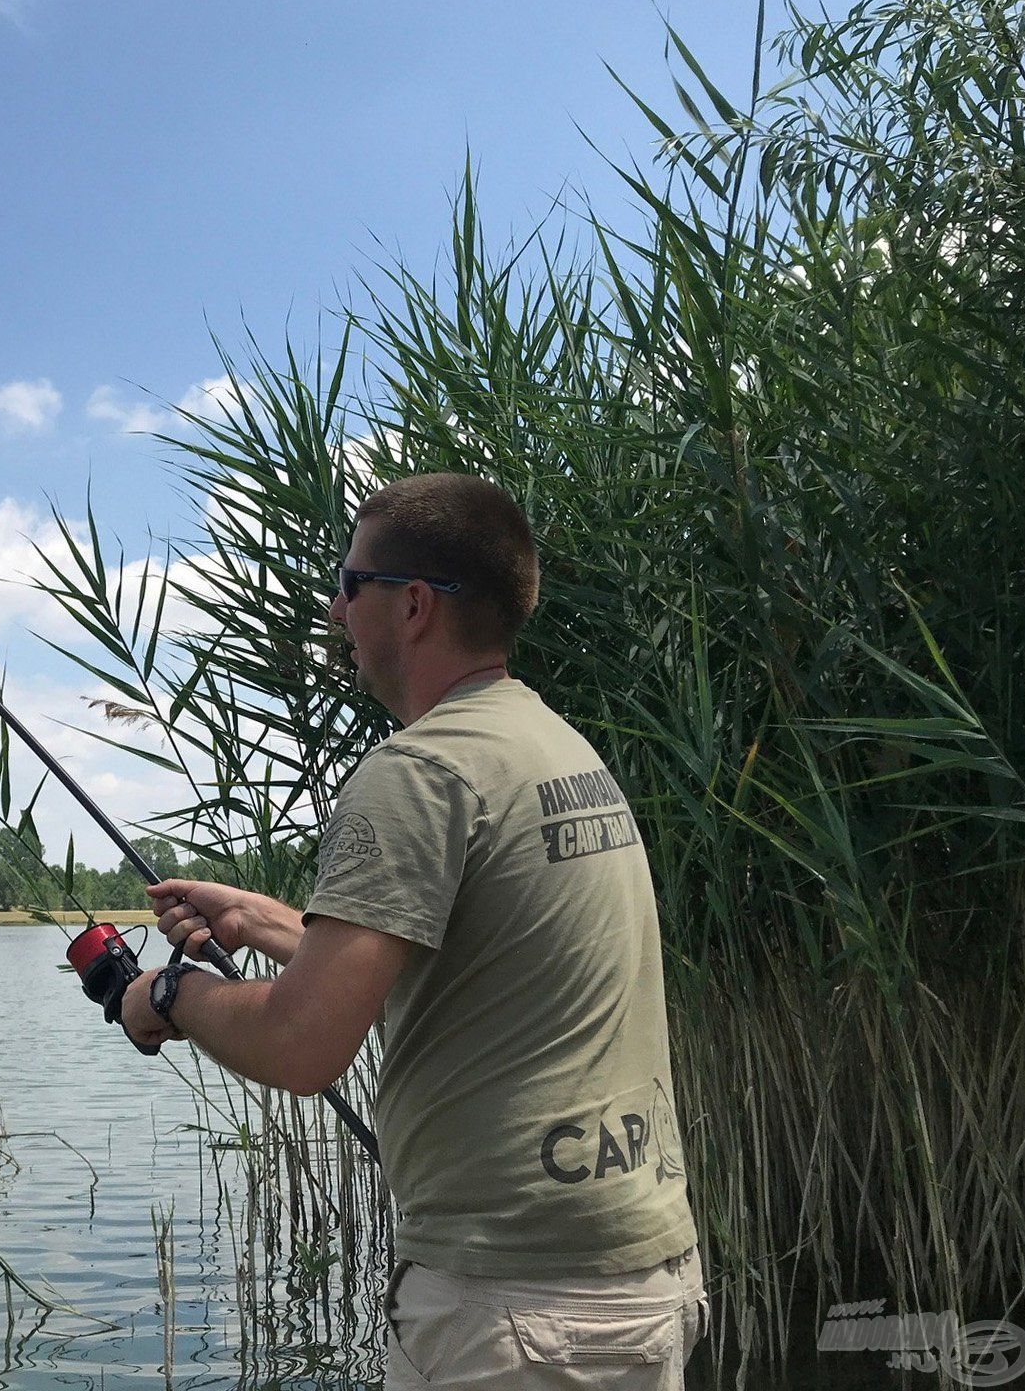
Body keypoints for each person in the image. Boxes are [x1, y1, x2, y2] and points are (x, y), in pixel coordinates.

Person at [120, 472, 706, 1389]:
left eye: (351, 584)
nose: (334, 607)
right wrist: (267, 922)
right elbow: (480, 954)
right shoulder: (553, 748)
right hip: (635, 1279)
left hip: (516, 1309)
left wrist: (165, 995)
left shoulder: (419, 772)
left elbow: (301, 1047)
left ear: (415, 605)